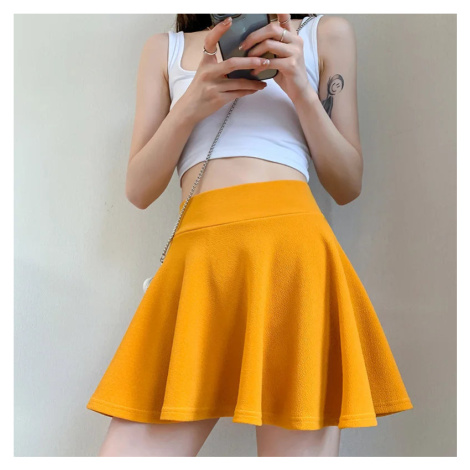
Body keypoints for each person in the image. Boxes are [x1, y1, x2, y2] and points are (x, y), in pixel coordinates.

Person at [86, 13, 414, 457]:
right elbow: (139, 190)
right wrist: (191, 103)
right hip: (199, 263)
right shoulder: (163, 48)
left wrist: (299, 87)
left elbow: (347, 183)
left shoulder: (323, 33)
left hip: (294, 259)